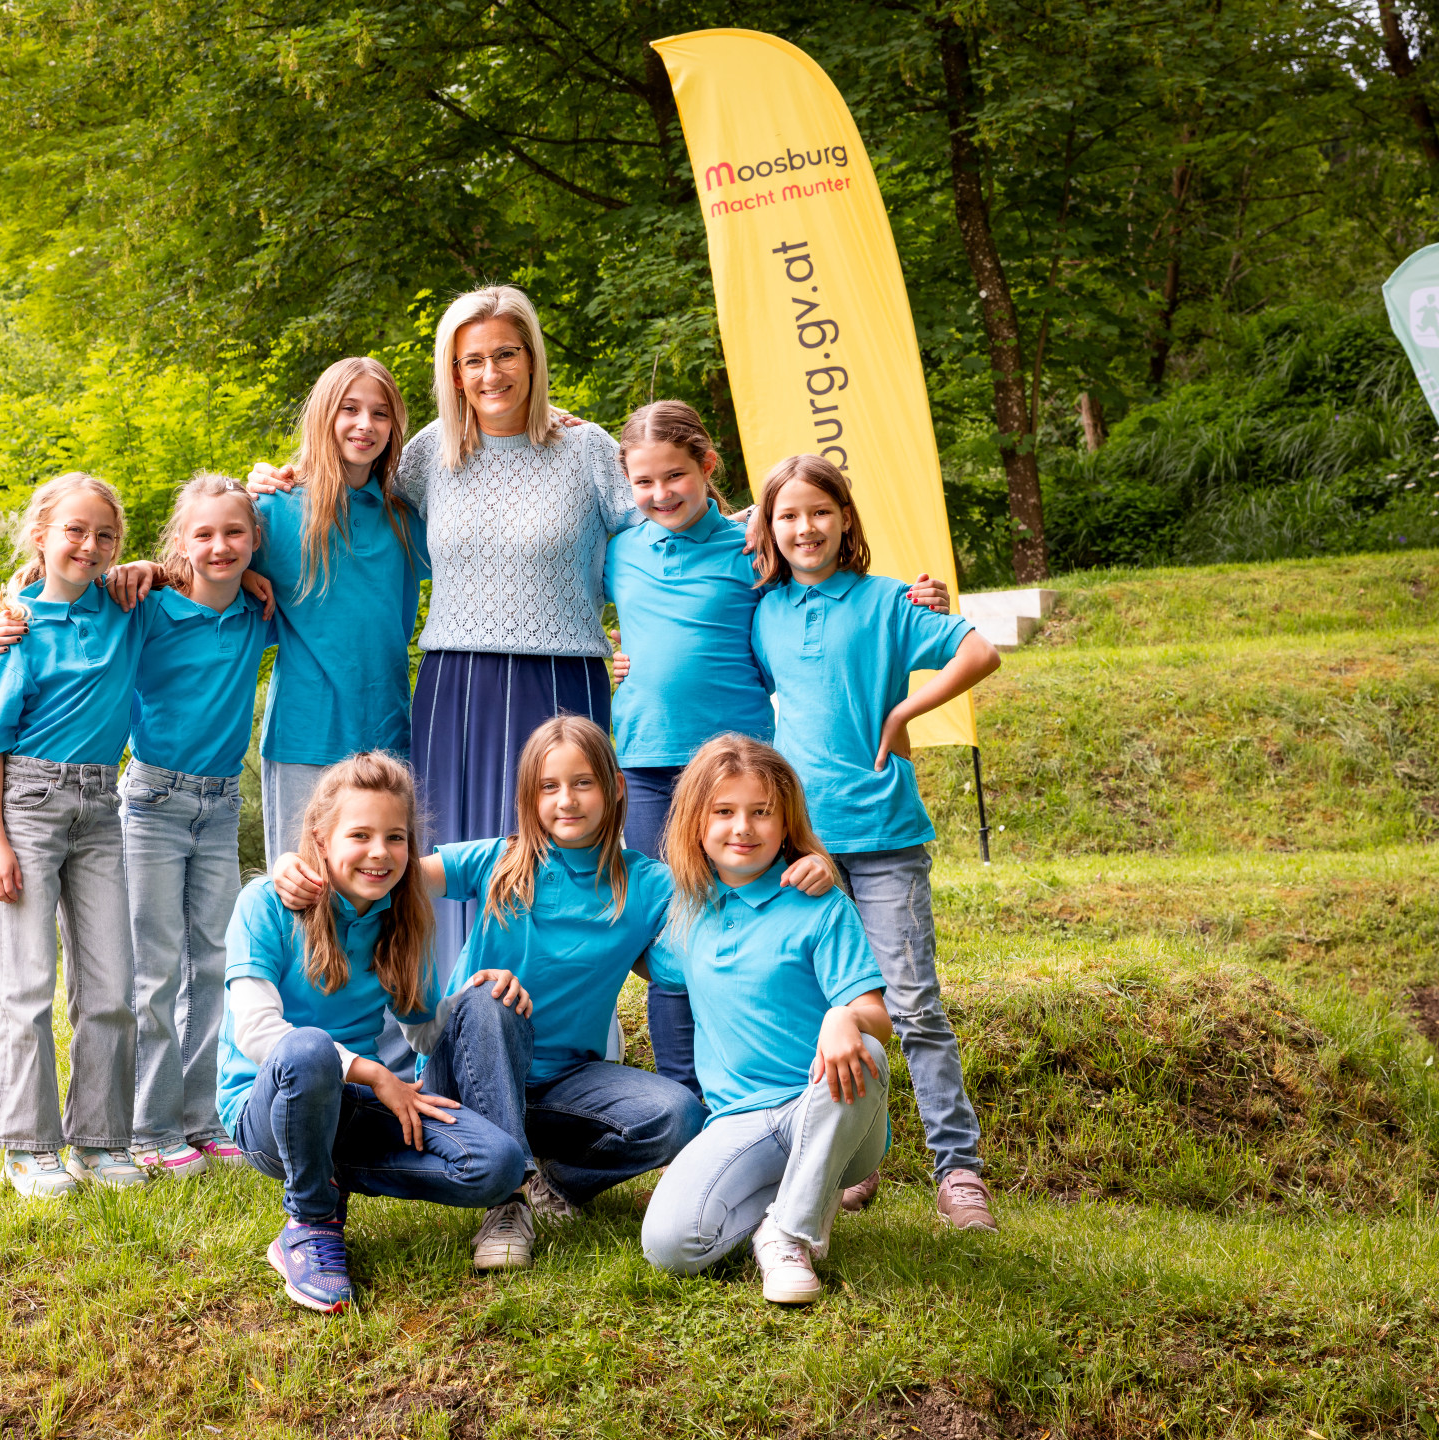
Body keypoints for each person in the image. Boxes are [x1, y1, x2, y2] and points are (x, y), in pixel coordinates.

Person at [273, 717, 828, 1270]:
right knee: (492, 997)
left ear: (615, 788)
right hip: (465, 1073)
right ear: (529, 796)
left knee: (678, 1114)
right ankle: (506, 1204)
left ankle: (554, 1183)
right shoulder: (499, 861)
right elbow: (384, 872)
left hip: (565, 1083)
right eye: (549, 786)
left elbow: (727, 916)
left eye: (584, 782)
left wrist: (803, 866)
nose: (567, 799)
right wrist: (295, 866)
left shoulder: (649, 885)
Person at [250, 287, 637, 992]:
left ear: (533, 357)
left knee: (560, 857)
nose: (491, 374)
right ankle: (453, 1026)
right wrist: (278, 478)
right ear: (452, 373)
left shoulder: (588, 449)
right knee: (452, 861)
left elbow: (661, 531)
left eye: (506, 354)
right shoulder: (430, 453)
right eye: (472, 360)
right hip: (456, 689)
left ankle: (569, 1032)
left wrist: (739, 537)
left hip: (563, 683)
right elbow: (350, 487)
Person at [603, 401, 950, 1103]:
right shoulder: (619, 548)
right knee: (673, 935)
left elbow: (823, 593)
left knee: (762, 927)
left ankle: (789, 1091)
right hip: (645, 763)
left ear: (708, 467)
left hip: (738, 768)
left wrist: (920, 600)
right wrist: (604, 655)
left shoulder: (751, 549)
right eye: (643, 482)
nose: (661, 493)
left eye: (675, 476)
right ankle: (684, 1106)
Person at [0, 473, 277, 1179]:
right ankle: (137, 1128)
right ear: (180, 542)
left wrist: (246, 565)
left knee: (204, 966)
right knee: (146, 971)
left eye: (234, 534)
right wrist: (15, 606)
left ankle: (188, 1120)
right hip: (141, 802)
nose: (219, 546)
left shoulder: (253, 610)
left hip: (212, 804)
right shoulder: (142, 609)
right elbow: (73, 604)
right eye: (202, 534)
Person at [750, 453, 1003, 1232]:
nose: (805, 528)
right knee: (836, 1009)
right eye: (788, 515)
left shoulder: (890, 601)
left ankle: (958, 1172)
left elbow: (979, 651)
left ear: (845, 520)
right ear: (769, 527)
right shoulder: (763, 612)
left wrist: (903, 713)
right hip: (803, 846)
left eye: (820, 512)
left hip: (886, 837)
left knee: (913, 1005)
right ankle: (854, 1163)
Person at [219, 752, 527, 1314]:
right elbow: (258, 1032)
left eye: (395, 837)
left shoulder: (400, 919)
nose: (380, 852)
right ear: (321, 837)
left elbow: (426, 1032)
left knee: (497, 1165)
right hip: (268, 1108)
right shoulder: (264, 904)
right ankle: (309, 1222)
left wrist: (480, 1001)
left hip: (355, 1107)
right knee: (308, 1048)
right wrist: (374, 1073)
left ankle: (329, 1170)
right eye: (360, 835)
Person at [639, 735, 892, 1305]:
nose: (742, 828)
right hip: (739, 1122)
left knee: (865, 1052)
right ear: (696, 823)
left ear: (785, 824)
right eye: (723, 812)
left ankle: (788, 1234)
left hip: (829, 1108)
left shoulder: (821, 904)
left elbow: (876, 1017)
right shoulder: (687, 912)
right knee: (670, 1247)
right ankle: (795, 1194)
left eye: (761, 812)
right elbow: (630, 956)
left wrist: (842, 1016)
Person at [0, 472, 156, 1199]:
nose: (89, 544)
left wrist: (148, 567)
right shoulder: (18, 628)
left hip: (101, 806)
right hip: (28, 805)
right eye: (74, 530)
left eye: (105, 535)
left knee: (110, 985)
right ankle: (27, 1147)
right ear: (40, 536)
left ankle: (101, 1142)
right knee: (26, 986)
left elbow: (191, 570)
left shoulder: (124, 607)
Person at [250, 358, 427, 858]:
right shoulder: (274, 508)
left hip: (388, 738)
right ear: (324, 414)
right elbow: (200, 570)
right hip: (304, 736)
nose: (365, 424)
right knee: (302, 890)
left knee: (383, 891)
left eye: (380, 413)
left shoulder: (405, 518)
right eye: (349, 409)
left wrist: (536, 421)